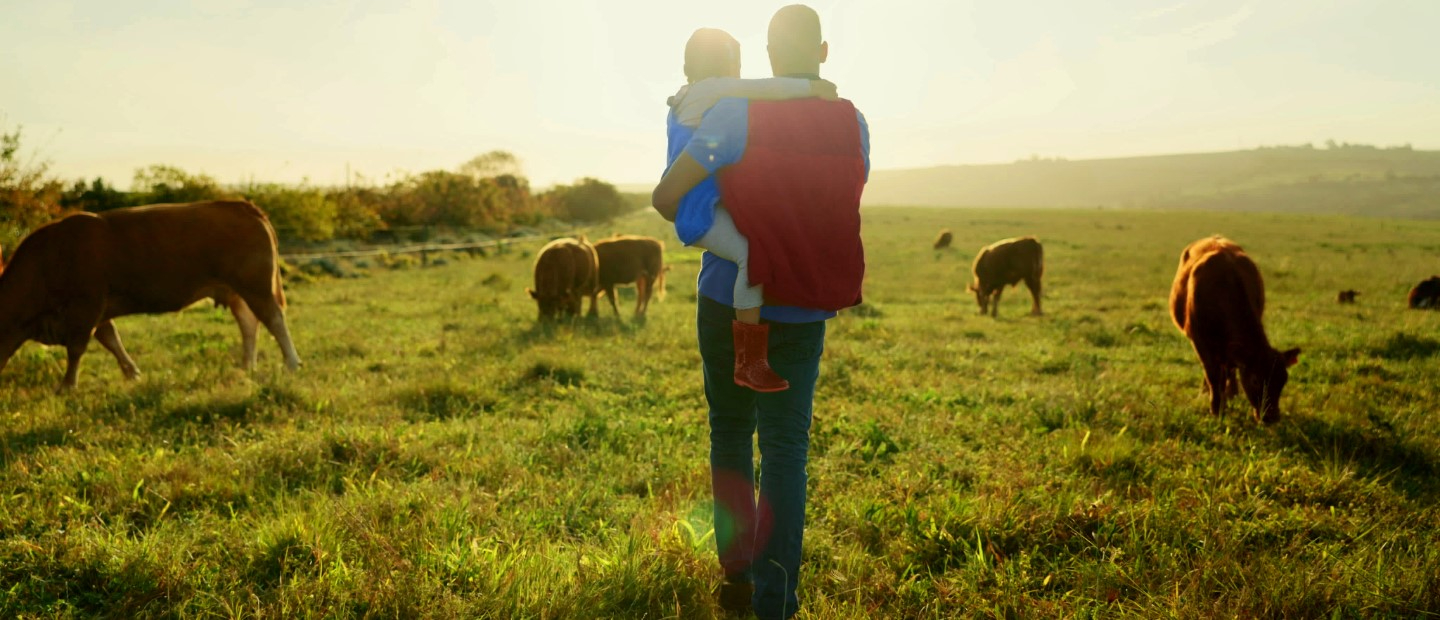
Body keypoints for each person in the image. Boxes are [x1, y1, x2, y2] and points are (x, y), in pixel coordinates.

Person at [652, 5, 870, 619]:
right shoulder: (852, 123)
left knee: (729, 436)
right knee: (785, 453)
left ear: (766, 57)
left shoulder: (731, 112)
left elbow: (669, 197)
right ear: (821, 53)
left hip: (726, 297)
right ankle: (777, 606)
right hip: (802, 306)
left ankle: (735, 582)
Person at [664, 27, 838, 393]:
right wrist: (812, 90)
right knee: (751, 255)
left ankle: (749, 355)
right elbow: (767, 89)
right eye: (737, 64)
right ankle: (750, 360)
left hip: (705, 204)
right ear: (725, 66)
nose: (741, 73)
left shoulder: (690, 96)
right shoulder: (712, 92)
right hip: (700, 210)